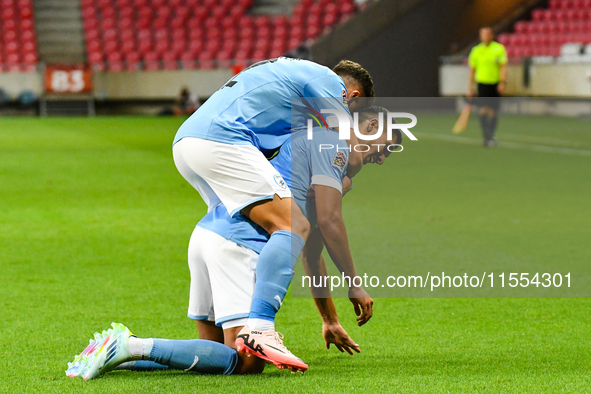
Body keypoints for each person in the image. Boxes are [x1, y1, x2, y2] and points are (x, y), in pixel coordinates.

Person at [66, 106, 400, 379]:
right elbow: (329, 222)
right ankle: (131, 345)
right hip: (238, 247)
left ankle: (119, 356)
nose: (383, 158)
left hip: (208, 235)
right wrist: (354, 285)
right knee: (247, 362)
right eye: (388, 145)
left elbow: (311, 250)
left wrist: (330, 319)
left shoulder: (307, 146)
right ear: (371, 125)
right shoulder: (333, 145)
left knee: (214, 357)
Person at [172, 57, 374, 368]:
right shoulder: (331, 85)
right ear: (354, 97)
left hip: (188, 144)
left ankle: (131, 350)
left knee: (230, 361)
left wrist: (330, 318)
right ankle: (262, 327)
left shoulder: (292, 103)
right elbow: (343, 143)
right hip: (222, 140)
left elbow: (311, 243)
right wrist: (350, 171)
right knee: (292, 224)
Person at [468, 27, 507, 147]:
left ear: (492, 35)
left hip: (494, 84)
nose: (485, 37)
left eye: (487, 34)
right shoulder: (476, 50)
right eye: (483, 34)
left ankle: (491, 134)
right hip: (482, 84)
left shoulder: (498, 49)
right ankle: (486, 136)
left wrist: (502, 82)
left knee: (493, 112)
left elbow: (503, 66)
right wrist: (470, 87)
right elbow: (472, 70)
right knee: (483, 109)